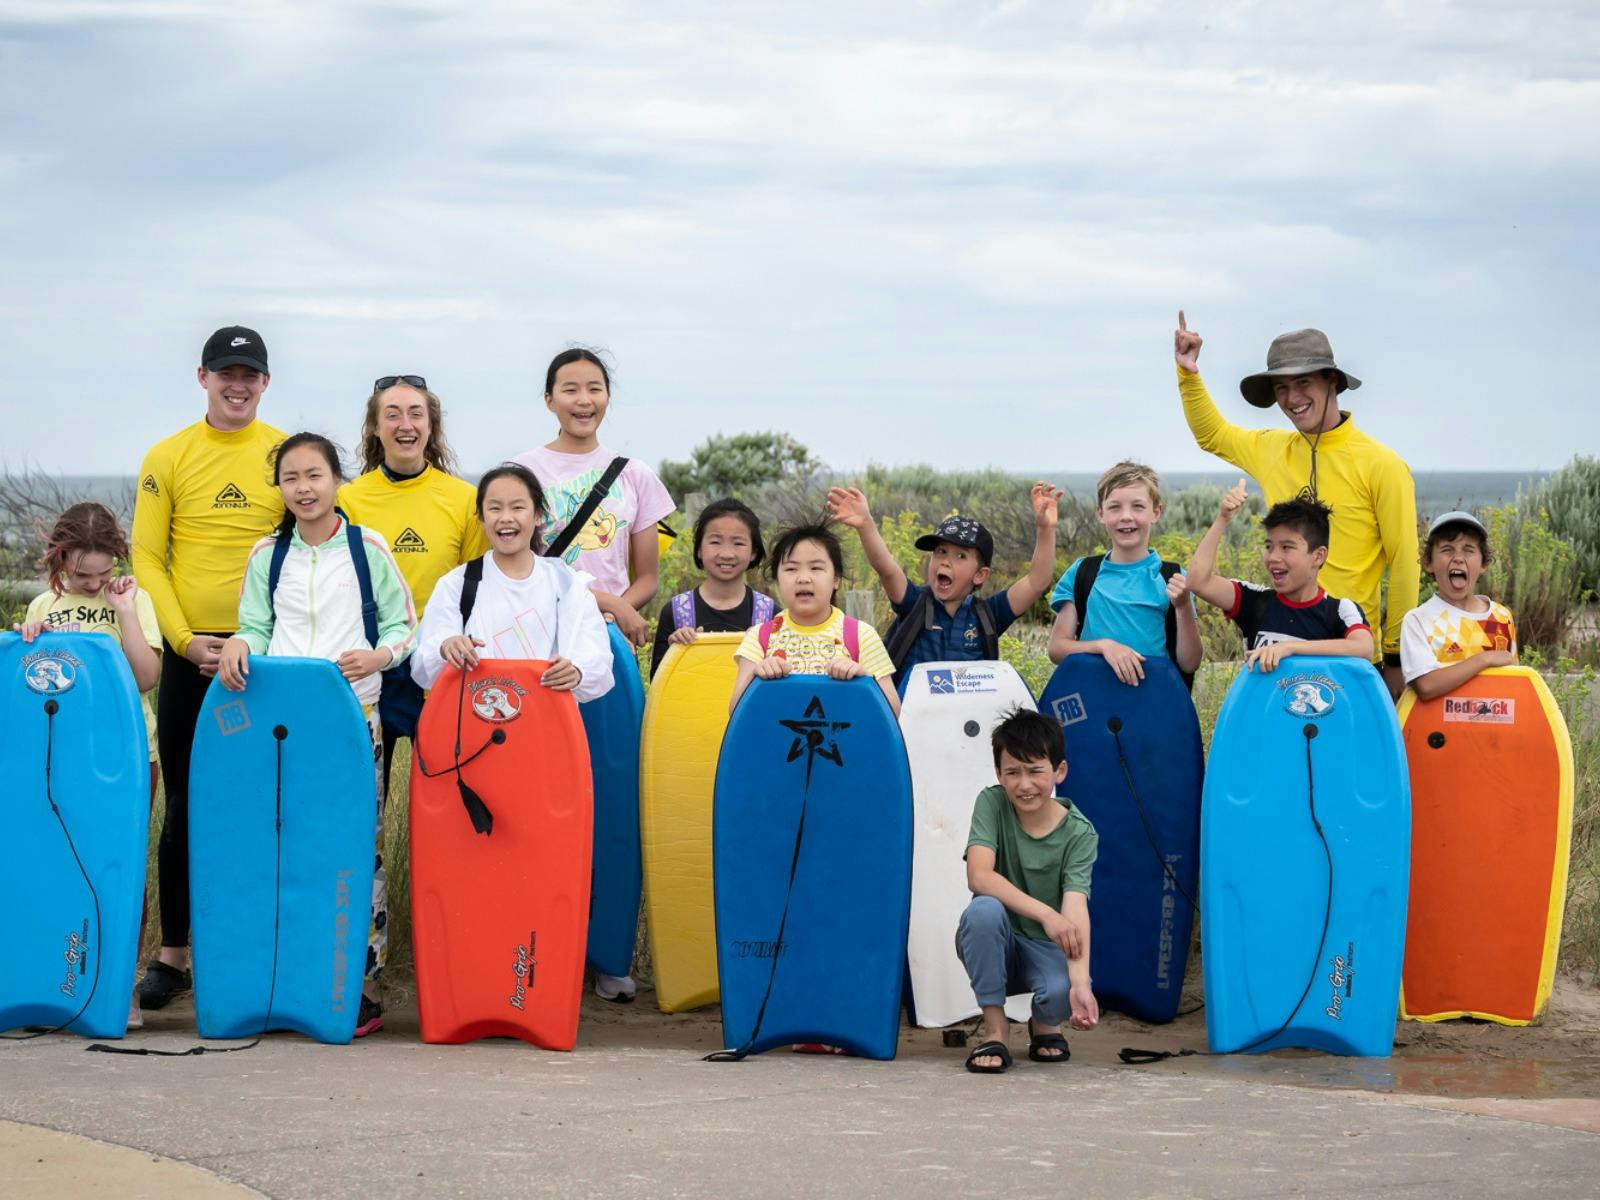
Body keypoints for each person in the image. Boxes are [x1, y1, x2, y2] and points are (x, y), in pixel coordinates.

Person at [218, 433, 418, 1038]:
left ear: (337, 481)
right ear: (279, 488)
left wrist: (379, 656)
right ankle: (289, 977)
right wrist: (236, 644)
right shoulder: (267, 555)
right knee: (282, 848)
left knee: (358, 852)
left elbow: (404, 624)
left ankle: (361, 989)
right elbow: (255, 625)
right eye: (291, 478)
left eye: (315, 476)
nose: (303, 489)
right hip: (280, 726)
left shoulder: (368, 549)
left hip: (353, 717)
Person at [130, 326, 286, 1011]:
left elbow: (305, 544)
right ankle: (174, 956)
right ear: (203, 377)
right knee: (185, 808)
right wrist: (187, 642)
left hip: (269, 656)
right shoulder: (168, 456)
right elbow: (146, 559)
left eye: (250, 373)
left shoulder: (284, 455)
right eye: (227, 372)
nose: (238, 383)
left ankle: (251, 946)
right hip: (190, 656)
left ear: (265, 382)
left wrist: (262, 637)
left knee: (264, 805)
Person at [1174, 312, 1417, 695]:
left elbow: (1404, 562)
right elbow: (1212, 435)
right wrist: (1188, 373)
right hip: (1278, 646)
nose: (1292, 398)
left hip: (1349, 650)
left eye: (1303, 382)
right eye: (1282, 387)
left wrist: (1396, 657)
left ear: (1331, 381)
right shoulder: (1272, 448)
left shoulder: (1382, 465)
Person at [15, 502, 161, 1029]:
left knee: (118, 870)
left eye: (104, 573)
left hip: (126, 757)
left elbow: (146, 677)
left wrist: (123, 613)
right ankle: (49, 979)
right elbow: (28, 686)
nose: (96, 582)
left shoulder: (132, 601)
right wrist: (25, 645)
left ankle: (120, 985)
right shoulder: (40, 607)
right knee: (51, 864)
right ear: (60, 558)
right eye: (83, 575)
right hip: (57, 760)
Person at [337, 374, 488, 796]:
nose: (406, 424)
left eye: (416, 413)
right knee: (365, 788)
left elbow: (475, 587)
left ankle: (440, 864)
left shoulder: (463, 499)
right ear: (374, 428)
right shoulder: (348, 500)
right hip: (372, 660)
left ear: (431, 425)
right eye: (393, 414)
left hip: (439, 662)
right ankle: (368, 864)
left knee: (446, 786)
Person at [958, 707, 1100, 1074]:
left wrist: (1081, 984)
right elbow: (979, 876)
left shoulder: (1079, 833)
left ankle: (1044, 1024)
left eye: (1036, 770)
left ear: (1059, 771)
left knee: (1062, 995)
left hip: (1044, 947)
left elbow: (1075, 908)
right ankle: (995, 1028)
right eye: (1013, 772)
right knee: (983, 911)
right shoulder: (991, 803)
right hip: (999, 942)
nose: (1024, 784)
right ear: (999, 775)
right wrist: (1045, 914)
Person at [826, 482, 1063, 691]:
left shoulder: (988, 615)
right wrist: (865, 524)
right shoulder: (914, 603)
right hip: (912, 723)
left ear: (980, 575)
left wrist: (1045, 529)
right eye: (940, 551)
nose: (946, 561)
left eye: (960, 556)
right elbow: (886, 568)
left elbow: (1036, 581)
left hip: (966, 727)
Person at [409, 463, 614, 704]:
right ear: (481, 517)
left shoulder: (566, 583)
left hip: (548, 724)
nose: (506, 518)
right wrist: (446, 646)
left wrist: (578, 671)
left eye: (518, 507)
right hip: (478, 726)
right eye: (494, 508)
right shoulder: (456, 584)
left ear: (538, 515)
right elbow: (423, 666)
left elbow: (597, 657)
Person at [512, 349, 676, 650]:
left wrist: (616, 615)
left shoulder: (634, 474)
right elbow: (518, 567)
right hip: (542, 635)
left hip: (610, 637)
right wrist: (613, 605)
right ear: (550, 400)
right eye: (570, 390)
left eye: (594, 389)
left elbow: (648, 577)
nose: (584, 400)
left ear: (608, 397)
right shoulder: (521, 473)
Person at [1185, 480, 1375, 671]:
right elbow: (1197, 581)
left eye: (1286, 547)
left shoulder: (1340, 610)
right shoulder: (1255, 600)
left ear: (1318, 556)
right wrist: (1222, 519)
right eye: (1269, 546)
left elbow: (1364, 647)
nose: (1273, 557)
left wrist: (1289, 648)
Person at [1045, 461, 1202, 685]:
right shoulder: (1082, 573)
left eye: (1138, 506)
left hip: (1153, 704)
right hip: (1093, 701)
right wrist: (1103, 646)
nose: (1126, 516)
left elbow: (1190, 663)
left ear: (1156, 512)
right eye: (1114, 507)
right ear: (1100, 513)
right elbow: (1057, 649)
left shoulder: (1173, 578)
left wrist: (1184, 606)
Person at [730, 523, 899, 717]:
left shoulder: (862, 636)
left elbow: (893, 711)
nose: (803, 578)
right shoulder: (760, 637)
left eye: (816, 568)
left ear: (836, 578)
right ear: (776, 579)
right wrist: (757, 677)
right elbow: (736, 710)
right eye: (791, 569)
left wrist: (862, 680)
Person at [649, 498, 777, 679]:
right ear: (699, 549)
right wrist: (675, 651)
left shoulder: (770, 614)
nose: (726, 554)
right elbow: (658, 684)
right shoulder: (676, 612)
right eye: (715, 542)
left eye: (738, 543)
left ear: (754, 552)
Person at [1400, 510, 1517, 700]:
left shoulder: (1501, 617)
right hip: (1438, 729)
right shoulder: (1418, 620)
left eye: (1469, 550)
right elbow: (1426, 686)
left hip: (1494, 728)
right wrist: (1484, 659)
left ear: (1483, 564)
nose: (1458, 558)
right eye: (1447, 549)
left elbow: (1513, 686)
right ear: (1429, 563)